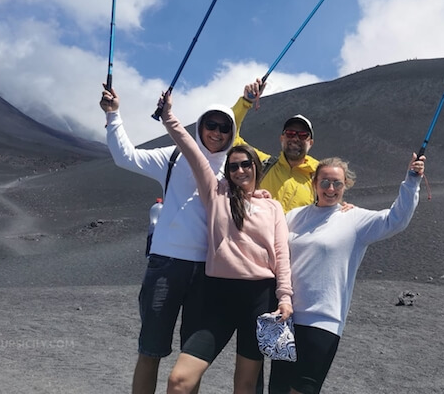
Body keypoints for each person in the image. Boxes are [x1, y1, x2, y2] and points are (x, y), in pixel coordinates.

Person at [100, 84, 237, 394]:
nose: (216, 132)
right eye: (210, 124)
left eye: (224, 127)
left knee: (192, 358)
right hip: (166, 264)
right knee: (151, 349)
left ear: (232, 132)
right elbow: (126, 157)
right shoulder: (174, 156)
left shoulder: (235, 168)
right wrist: (113, 115)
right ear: (200, 125)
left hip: (208, 271)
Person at [159, 91, 293, 394]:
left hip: (261, 299)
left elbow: (281, 255)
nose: (240, 170)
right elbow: (191, 150)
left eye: (246, 164)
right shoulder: (215, 193)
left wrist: (284, 297)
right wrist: (169, 117)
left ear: (256, 167)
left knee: (245, 386)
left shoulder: (272, 208)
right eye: (233, 166)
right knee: (179, 381)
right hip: (216, 295)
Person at [269, 153, 426, 394]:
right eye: (324, 182)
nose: (330, 189)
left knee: (302, 389)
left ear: (346, 186)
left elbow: (396, 219)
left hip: (323, 321)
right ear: (314, 183)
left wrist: (411, 180)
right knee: (278, 389)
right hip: (285, 317)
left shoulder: (354, 220)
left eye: (337, 183)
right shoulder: (294, 217)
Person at [231, 78, 319, 212]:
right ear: (281, 138)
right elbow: (231, 138)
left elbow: (332, 205)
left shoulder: (319, 177)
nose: (295, 138)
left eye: (302, 135)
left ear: (310, 143)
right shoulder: (262, 163)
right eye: (290, 133)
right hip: (257, 232)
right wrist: (246, 102)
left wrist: (347, 210)